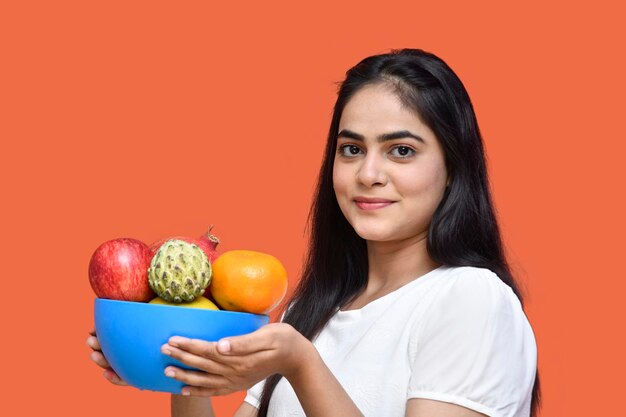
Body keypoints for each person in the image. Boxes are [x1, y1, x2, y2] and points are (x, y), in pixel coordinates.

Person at [87, 48, 541, 417]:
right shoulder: (309, 312)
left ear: (453, 168)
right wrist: (182, 364)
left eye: (401, 150)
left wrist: (302, 365)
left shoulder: (472, 299)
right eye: (351, 149)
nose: (369, 173)